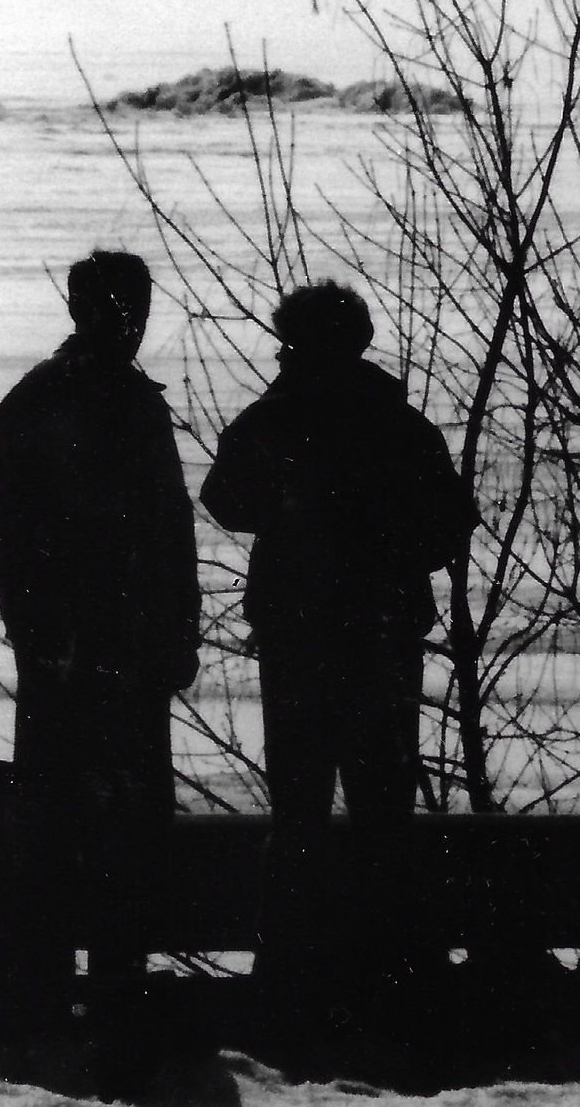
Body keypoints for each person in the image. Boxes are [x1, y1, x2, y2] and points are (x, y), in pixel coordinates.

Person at [0, 249, 201, 1017]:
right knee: (71, 816)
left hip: (120, 646)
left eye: (136, 308)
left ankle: (102, 979)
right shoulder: (50, 403)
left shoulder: (116, 403)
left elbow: (172, 530)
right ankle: (65, 983)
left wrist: (178, 631)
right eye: (118, 308)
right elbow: (11, 531)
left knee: (114, 818)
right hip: (79, 647)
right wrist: (44, 635)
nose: (130, 323)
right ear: (82, 311)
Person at [201, 281, 475, 827]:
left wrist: (289, 521)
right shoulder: (401, 424)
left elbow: (223, 499)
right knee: (383, 807)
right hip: (382, 629)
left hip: (300, 632)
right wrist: (393, 553)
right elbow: (451, 525)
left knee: (300, 806)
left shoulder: (272, 421)